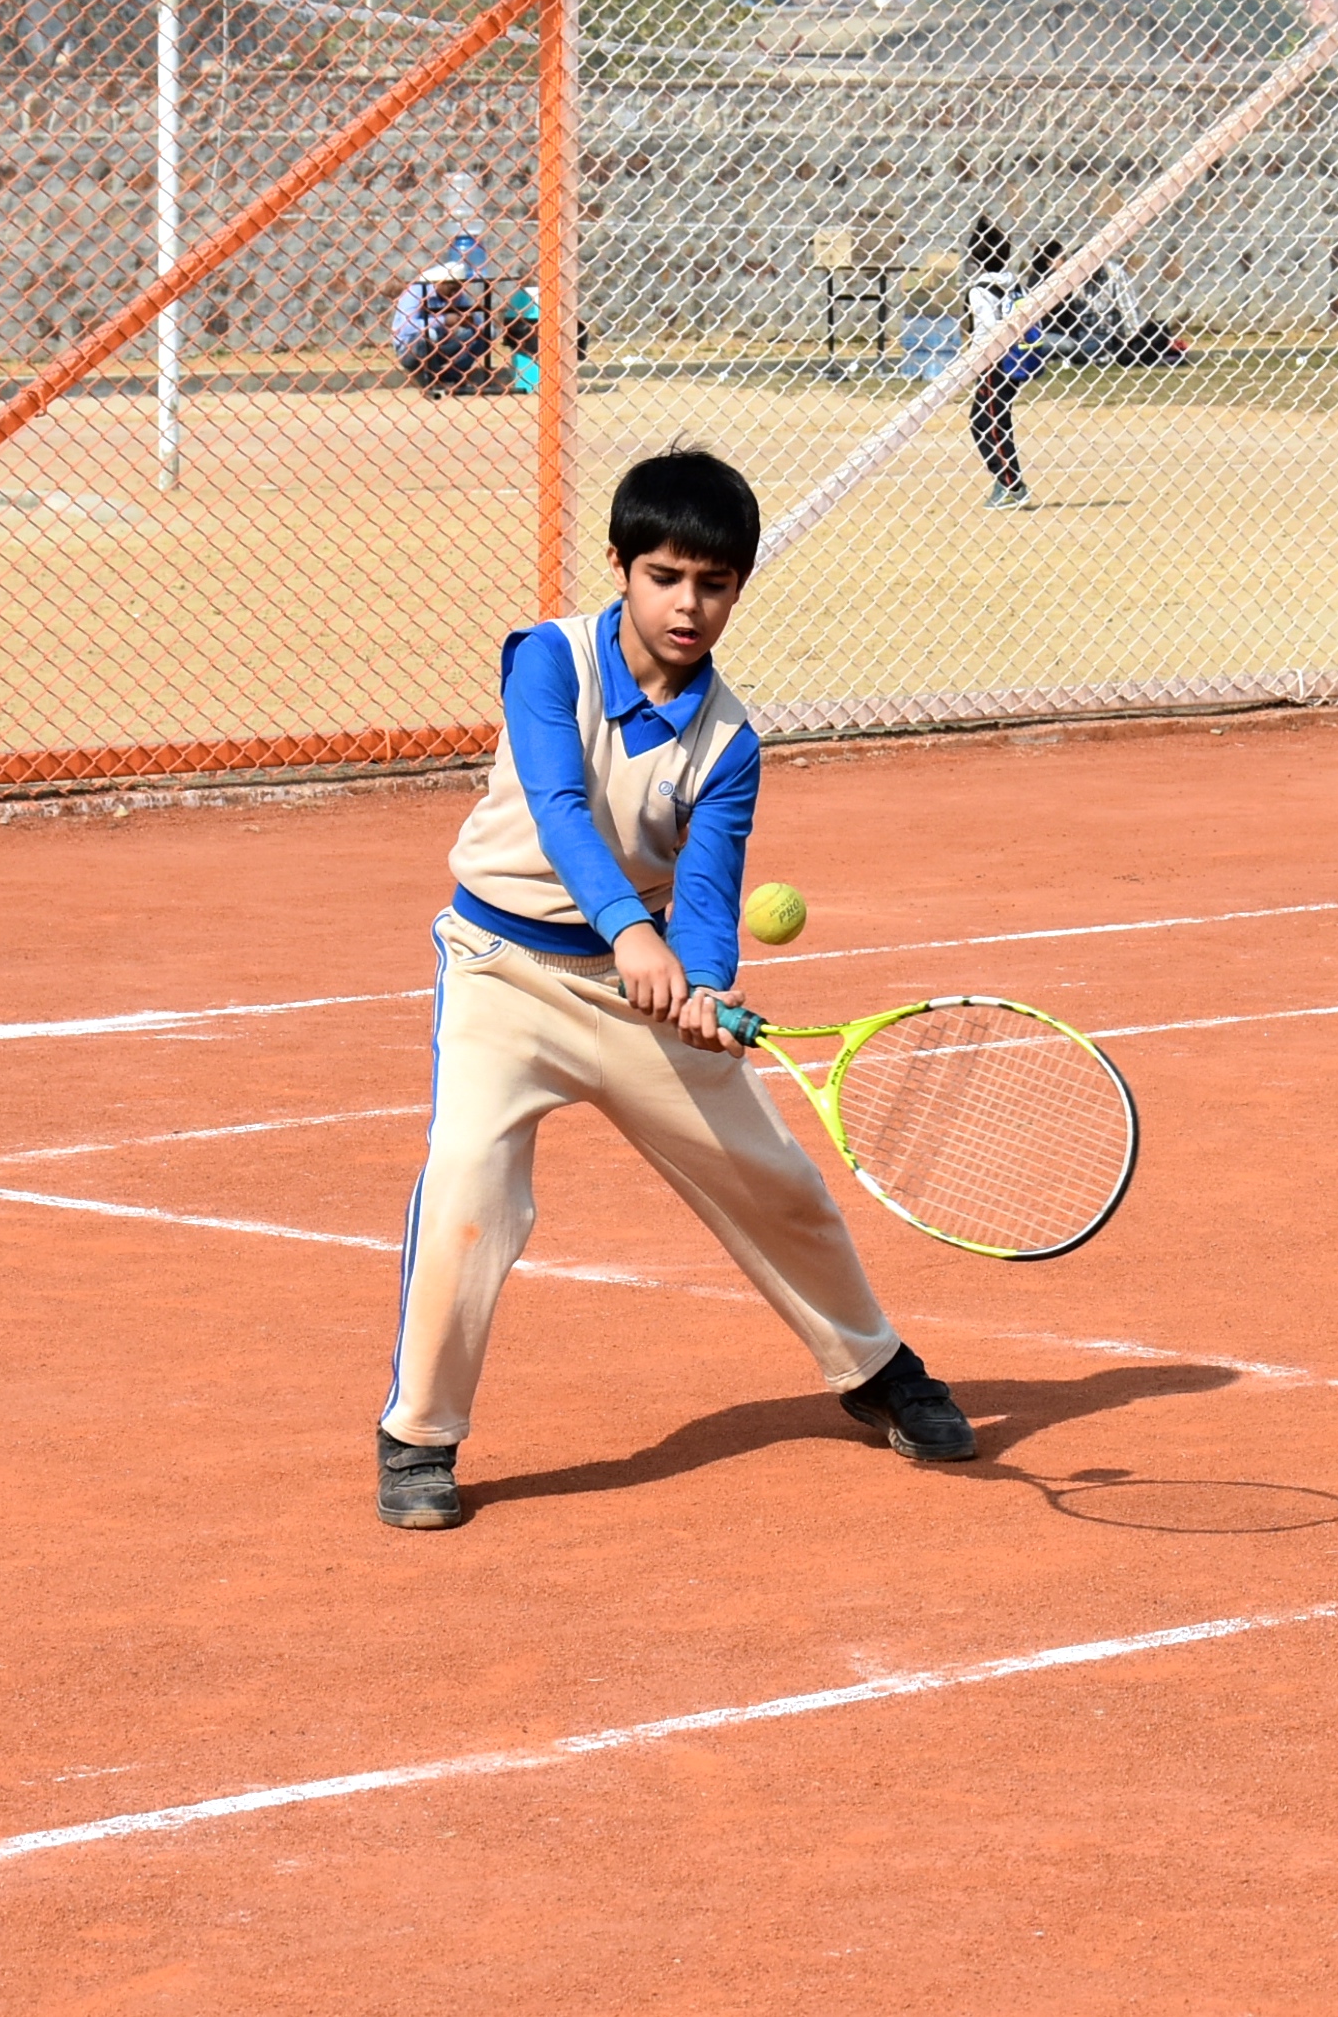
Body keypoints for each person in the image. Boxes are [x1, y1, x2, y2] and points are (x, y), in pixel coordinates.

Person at [374, 450, 979, 1530]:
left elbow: (707, 890)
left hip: (634, 989)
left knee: (775, 1178)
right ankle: (419, 1435)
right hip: (501, 973)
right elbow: (559, 805)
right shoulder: (549, 661)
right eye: (663, 577)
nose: (687, 605)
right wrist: (628, 930)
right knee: (469, 1181)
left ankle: (876, 1369)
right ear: (619, 568)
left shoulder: (729, 741)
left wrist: (700, 983)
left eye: (713, 583)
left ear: (738, 588)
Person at [966, 233, 1052, 508]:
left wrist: (973, 360)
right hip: (1016, 357)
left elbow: (987, 328)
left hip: (994, 361)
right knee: (985, 420)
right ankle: (1006, 480)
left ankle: (1011, 485)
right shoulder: (1015, 284)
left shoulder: (979, 289)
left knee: (990, 422)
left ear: (975, 259)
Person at [391, 246, 493, 394]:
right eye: (452, 287)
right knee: (429, 334)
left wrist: (470, 322)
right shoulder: (416, 291)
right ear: (439, 282)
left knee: (487, 332)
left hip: (442, 345)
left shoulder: (455, 295)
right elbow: (406, 327)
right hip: (411, 349)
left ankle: (452, 376)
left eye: (459, 287)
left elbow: (476, 321)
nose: (455, 292)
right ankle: (435, 381)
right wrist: (444, 320)